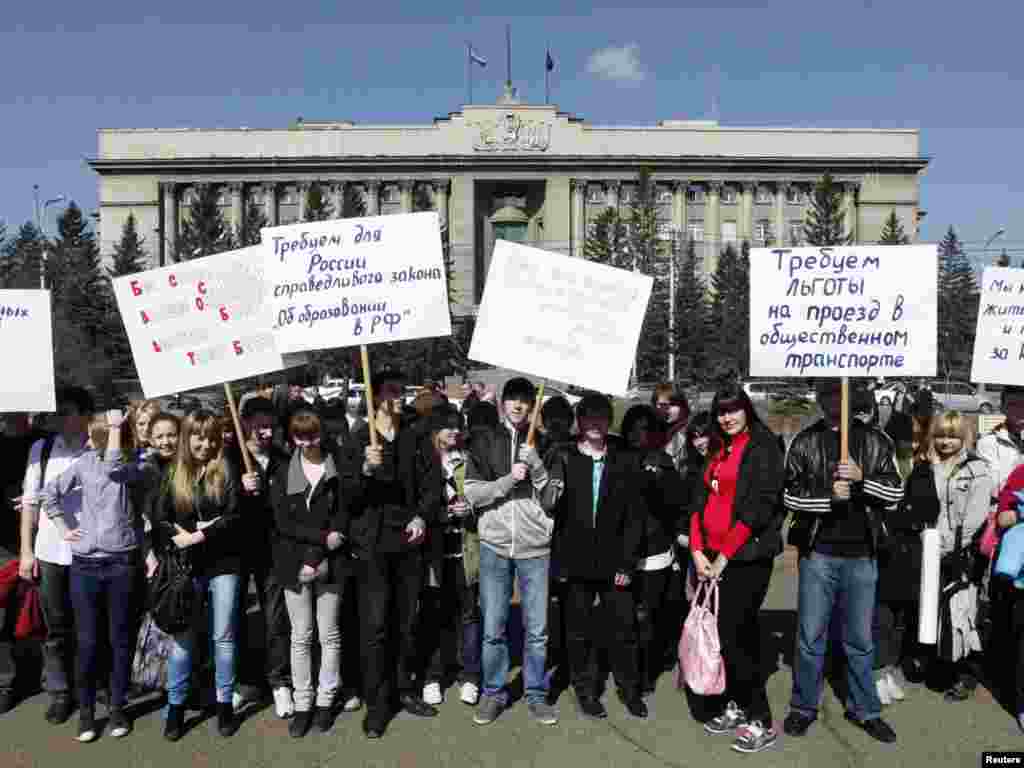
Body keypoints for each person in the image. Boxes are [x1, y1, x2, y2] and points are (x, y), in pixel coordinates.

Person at [783, 379, 902, 745]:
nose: (835, 400)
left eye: (841, 392)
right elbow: (788, 494)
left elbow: (895, 493)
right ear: (820, 398)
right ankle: (803, 707)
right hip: (819, 554)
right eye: (828, 393)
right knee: (809, 637)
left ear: (853, 397)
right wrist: (826, 496)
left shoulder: (876, 440)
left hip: (862, 555)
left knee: (860, 639)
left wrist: (862, 480)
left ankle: (865, 709)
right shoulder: (805, 441)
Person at [688, 383, 785, 754]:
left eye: (733, 410)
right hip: (710, 557)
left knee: (736, 635)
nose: (727, 418)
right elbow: (699, 499)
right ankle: (734, 703)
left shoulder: (763, 447)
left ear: (746, 409)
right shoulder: (717, 446)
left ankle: (759, 717)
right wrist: (697, 549)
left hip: (744, 559)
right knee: (722, 637)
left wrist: (724, 556)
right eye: (721, 412)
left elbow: (757, 511)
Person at [340, 369, 436, 739]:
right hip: (371, 545)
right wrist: (365, 468)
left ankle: (403, 689)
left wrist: (422, 516)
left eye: (401, 390)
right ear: (376, 396)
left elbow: (430, 488)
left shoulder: (415, 437)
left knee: (404, 622)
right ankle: (377, 704)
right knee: (375, 626)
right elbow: (347, 497)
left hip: (407, 542)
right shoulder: (357, 439)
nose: (397, 397)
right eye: (391, 391)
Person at [42, 409, 145, 742]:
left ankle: (117, 706)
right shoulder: (84, 465)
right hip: (85, 565)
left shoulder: (135, 466)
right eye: (99, 434)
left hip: (120, 563)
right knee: (87, 641)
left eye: (104, 435)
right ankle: (86, 711)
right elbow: (50, 494)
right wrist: (63, 527)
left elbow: (114, 468)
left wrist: (117, 429)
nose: (94, 440)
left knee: (119, 639)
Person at [464, 377, 559, 727]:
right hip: (495, 545)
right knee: (493, 626)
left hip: (535, 548)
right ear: (503, 403)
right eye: (513, 400)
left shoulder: (547, 443)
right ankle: (493, 691)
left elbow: (553, 500)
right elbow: (472, 493)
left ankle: (536, 694)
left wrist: (535, 466)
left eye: (525, 401)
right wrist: (508, 479)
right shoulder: (485, 440)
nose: (519, 406)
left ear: (533, 407)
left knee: (537, 629)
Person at [150, 409, 242, 741]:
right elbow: (159, 515)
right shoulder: (174, 470)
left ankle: (224, 705)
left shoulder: (227, 467)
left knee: (224, 638)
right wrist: (184, 533)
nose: (205, 443)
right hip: (186, 567)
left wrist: (203, 534)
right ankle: (175, 707)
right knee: (183, 640)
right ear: (187, 437)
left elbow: (234, 517)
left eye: (211, 436)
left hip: (224, 564)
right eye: (198, 436)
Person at [554, 394, 647, 720]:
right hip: (575, 560)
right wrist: (561, 562)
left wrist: (627, 562)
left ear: (610, 421)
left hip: (614, 561)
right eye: (588, 417)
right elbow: (557, 517)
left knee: (623, 629)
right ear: (579, 421)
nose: (595, 424)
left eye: (601, 417)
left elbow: (636, 516)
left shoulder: (624, 459)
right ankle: (585, 690)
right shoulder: (564, 458)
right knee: (578, 631)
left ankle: (630, 689)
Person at [271, 409, 349, 738]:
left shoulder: (337, 466)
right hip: (293, 563)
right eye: (300, 436)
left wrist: (317, 555)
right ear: (292, 438)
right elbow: (284, 523)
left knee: (328, 635)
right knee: (300, 636)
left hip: (330, 563)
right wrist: (317, 543)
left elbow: (342, 517)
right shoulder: (281, 471)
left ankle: (325, 702)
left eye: (313, 434)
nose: (307, 442)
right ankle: (303, 704)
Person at [19, 386, 94, 725]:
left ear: (84, 415)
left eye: (67, 412)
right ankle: (61, 692)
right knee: (57, 628)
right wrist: (25, 551)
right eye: (57, 413)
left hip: (93, 552)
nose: (60, 420)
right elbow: (30, 503)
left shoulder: (100, 447)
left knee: (92, 624)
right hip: (50, 552)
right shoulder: (42, 449)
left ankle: (92, 686)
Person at [417, 404, 482, 707]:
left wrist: (471, 507)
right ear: (434, 431)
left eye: (457, 426)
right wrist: (443, 513)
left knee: (468, 615)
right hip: (433, 551)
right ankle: (432, 675)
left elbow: (483, 497)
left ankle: (469, 675)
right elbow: (417, 505)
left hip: (466, 549)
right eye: (447, 426)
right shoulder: (422, 462)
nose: (454, 432)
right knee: (434, 616)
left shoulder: (469, 462)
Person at [620, 404, 687, 695]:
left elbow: (675, 506)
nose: (638, 434)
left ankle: (647, 673)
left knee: (647, 616)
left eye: (644, 428)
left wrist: (657, 480)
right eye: (633, 428)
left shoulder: (664, 464)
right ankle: (627, 669)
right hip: (621, 554)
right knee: (624, 618)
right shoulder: (618, 458)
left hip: (655, 554)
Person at [234, 398, 294, 718]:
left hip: (274, 550)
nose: (265, 432)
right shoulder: (229, 457)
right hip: (237, 550)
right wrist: (239, 488)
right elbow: (216, 500)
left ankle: (279, 682)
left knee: (275, 620)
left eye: (270, 425)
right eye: (258, 425)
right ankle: (244, 683)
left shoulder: (285, 459)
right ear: (244, 423)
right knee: (237, 619)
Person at [652, 384, 691, 474]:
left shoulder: (687, 429)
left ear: (682, 406)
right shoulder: (654, 429)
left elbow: (666, 458)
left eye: (672, 405)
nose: (667, 410)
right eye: (662, 405)